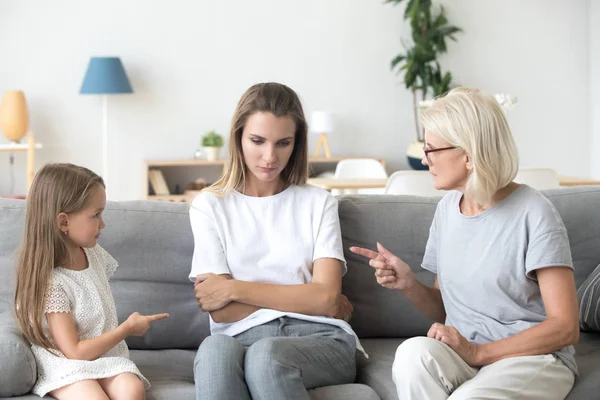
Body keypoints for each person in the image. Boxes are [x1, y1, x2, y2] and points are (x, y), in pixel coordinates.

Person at [351, 88, 579, 400]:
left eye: (431, 150)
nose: (424, 158)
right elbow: (445, 307)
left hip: (530, 358)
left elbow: (565, 327)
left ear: (468, 155)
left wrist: (479, 352)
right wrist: (408, 284)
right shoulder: (447, 210)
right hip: (465, 354)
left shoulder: (534, 212)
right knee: (412, 354)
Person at [190, 82, 360, 400]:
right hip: (238, 338)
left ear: (296, 144)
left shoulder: (319, 202)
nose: (270, 157)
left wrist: (233, 288)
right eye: (257, 141)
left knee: (267, 357)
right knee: (214, 349)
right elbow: (221, 312)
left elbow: (325, 299)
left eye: (283, 143)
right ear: (238, 137)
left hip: (321, 339)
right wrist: (307, 296)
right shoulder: (209, 205)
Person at [14, 163, 169, 399]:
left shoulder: (94, 254)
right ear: (63, 222)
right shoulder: (52, 284)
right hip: (67, 362)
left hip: (105, 355)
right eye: (96, 215)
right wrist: (126, 329)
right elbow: (74, 351)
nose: (103, 224)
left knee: (132, 389)